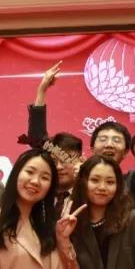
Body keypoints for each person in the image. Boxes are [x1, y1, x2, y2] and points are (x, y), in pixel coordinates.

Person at [23, 63, 84, 214]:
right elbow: (37, 137)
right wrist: (42, 90)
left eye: (66, 159)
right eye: (54, 161)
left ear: (81, 160)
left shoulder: (91, 191)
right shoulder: (37, 195)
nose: (59, 167)